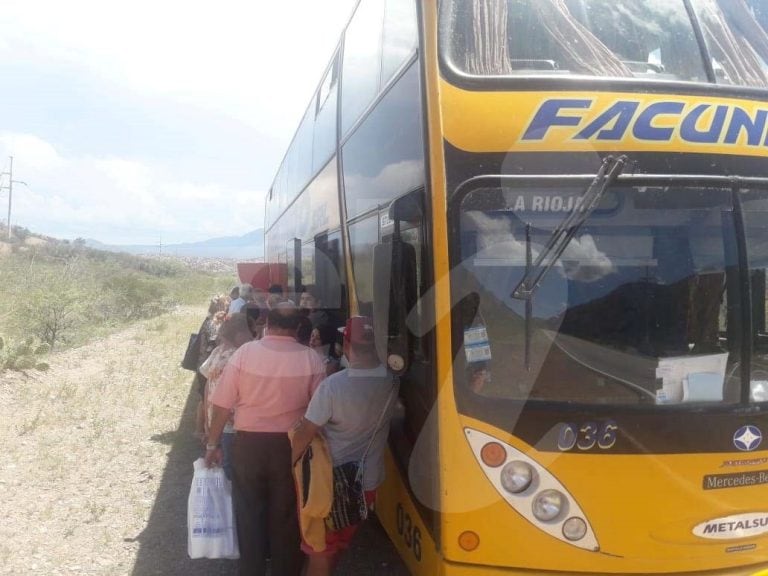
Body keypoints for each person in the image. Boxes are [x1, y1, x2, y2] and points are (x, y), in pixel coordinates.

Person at [206, 305, 326, 576]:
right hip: (292, 446)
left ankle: (252, 569)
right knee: (286, 513)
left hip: (248, 446)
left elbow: (222, 406)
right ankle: (286, 569)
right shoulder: (311, 359)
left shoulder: (245, 354)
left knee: (248, 510)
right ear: (297, 328)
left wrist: (212, 445)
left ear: (266, 325)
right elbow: (319, 410)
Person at [291, 316, 398, 576]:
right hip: (366, 482)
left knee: (320, 548)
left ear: (346, 344)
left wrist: (291, 464)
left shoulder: (333, 387)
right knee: (337, 543)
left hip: (328, 485)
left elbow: (306, 431)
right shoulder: (391, 380)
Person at [199, 312, 252, 480]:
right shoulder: (241, 356)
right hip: (233, 422)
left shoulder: (217, 352)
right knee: (232, 467)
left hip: (215, 417)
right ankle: (233, 502)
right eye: (251, 332)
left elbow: (207, 386)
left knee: (222, 462)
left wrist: (208, 422)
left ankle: (227, 500)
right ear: (240, 334)